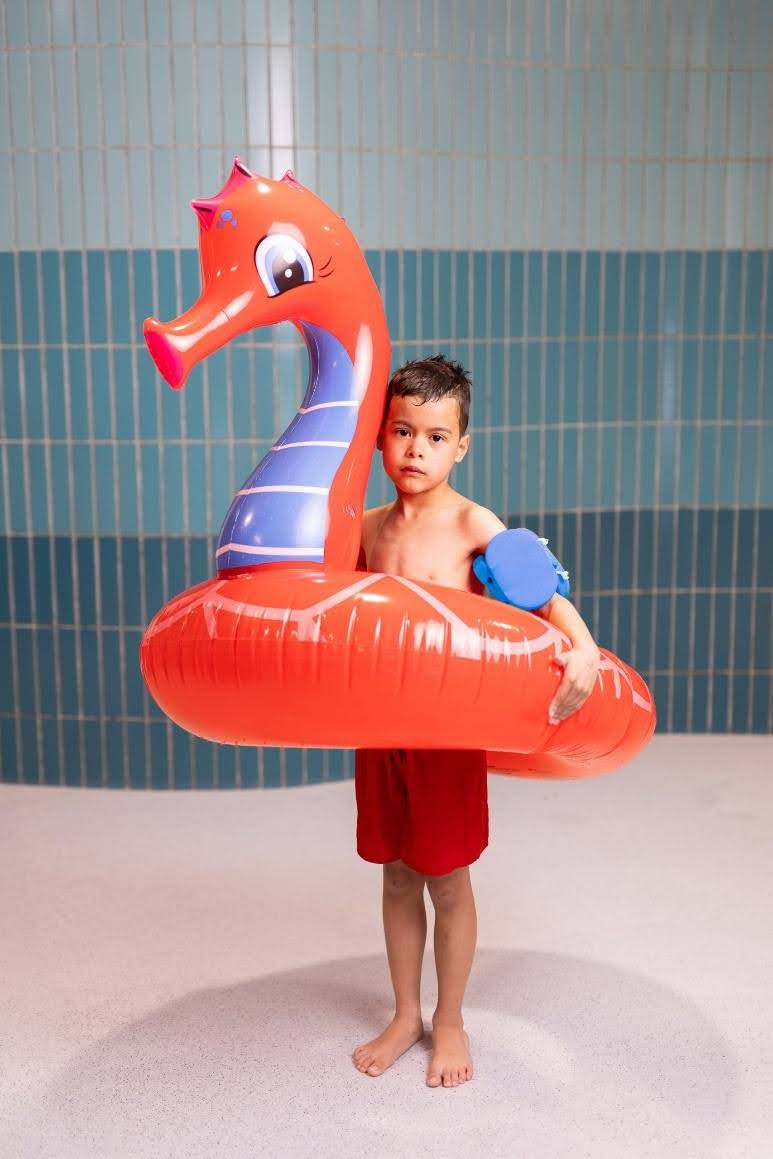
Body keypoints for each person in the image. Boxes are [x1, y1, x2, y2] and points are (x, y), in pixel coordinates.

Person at [351, 354, 601, 1089]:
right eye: (402, 431)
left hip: (445, 732)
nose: (415, 450)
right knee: (397, 874)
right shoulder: (365, 528)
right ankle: (406, 1013)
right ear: (380, 436)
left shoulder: (471, 523)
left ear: (460, 446)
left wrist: (582, 644)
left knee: (446, 878)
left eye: (435, 437)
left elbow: (538, 588)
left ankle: (451, 1018)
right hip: (382, 728)